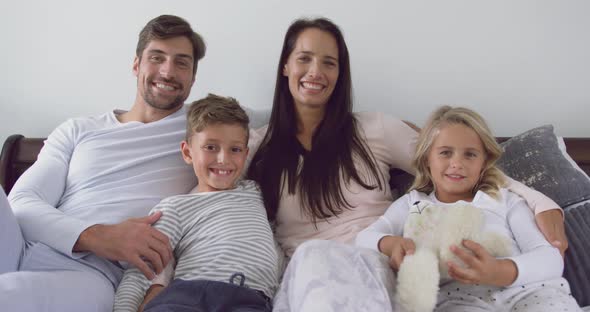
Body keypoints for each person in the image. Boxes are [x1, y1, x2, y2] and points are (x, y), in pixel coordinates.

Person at [246, 17, 568, 311]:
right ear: (285, 66)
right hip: (306, 278)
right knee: (310, 257)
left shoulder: (374, 129)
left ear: (339, 74)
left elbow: (453, 166)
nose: (315, 71)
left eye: (329, 63)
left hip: (376, 266)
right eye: (304, 58)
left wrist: (541, 202)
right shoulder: (253, 145)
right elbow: (202, 179)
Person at [0, 15, 205, 312]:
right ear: (136, 65)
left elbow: (278, 124)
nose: (167, 70)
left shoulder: (202, 130)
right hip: (21, 244)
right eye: (156, 57)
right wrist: (98, 235)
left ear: (193, 77)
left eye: (181, 62)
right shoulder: (78, 129)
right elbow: (22, 202)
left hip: (92, 275)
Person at [356, 106, 581, 311]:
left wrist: (499, 271)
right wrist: (391, 243)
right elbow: (364, 238)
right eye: (445, 152)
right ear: (427, 160)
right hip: (460, 300)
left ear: (484, 162)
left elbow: (550, 258)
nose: (457, 163)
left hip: (527, 292)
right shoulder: (412, 204)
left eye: (470, 154)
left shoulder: (504, 201)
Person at [113, 94, 280, 312]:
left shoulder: (255, 192)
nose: (223, 159)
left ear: (246, 153)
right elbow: (141, 269)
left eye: (235, 149)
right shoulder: (175, 208)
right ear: (187, 152)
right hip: (188, 293)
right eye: (211, 147)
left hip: (249, 298)